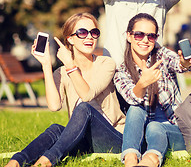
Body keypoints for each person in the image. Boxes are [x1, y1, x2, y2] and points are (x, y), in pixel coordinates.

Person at [5, 13, 125, 167]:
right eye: (82, 33)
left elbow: (87, 95)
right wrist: (46, 65)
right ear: (70, 38)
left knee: (84, 108)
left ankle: (48, 160)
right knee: (56, 129)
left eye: (94, 33)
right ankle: (16, 161)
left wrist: (70, 65)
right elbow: (54, 106)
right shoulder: (61, 72)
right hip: (83, 139)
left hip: (113, 138)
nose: (89, 37)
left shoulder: (106, 64)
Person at [114, 13, 191, 167]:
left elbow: (178, 64)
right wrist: (142, 83)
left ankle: (149, 162)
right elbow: (131, 97)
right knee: (135, 109)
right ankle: (130, 161)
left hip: (172, 128)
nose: (145, 40)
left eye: (151, 36)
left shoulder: (161, 55)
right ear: (129, 36)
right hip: (142, 131)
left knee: (154, 127)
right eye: (139, 35)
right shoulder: (121, 71)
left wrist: (185, 61)